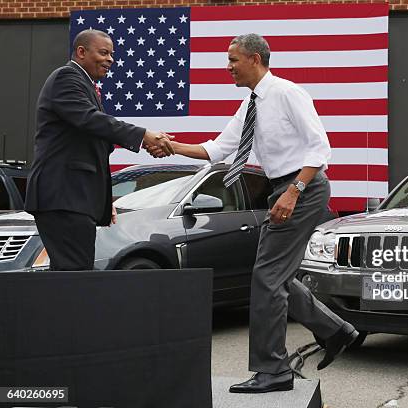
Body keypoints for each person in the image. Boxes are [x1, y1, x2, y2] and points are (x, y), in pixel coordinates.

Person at [147, 33, 359, 393]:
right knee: (273, 277)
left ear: (255, 59)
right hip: (284, 188)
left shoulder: (289, 93)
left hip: (302, 188)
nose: (228, 67)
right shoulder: (250, 104)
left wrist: (294, 191)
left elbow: (320, 149)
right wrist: (170, 145)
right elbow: (217, 150)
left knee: (266, 279)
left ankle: (273, 370)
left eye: (233, 60)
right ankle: (334, 330)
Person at [25, 29, 174, 271]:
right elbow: (90, 119)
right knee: (75, 274)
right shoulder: (66, 78)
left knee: (74, 272)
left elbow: (95, 141)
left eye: (112, 54)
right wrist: (143, 135)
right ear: (81, 52)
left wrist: (103, 199)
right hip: (62, 197)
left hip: (75, 199)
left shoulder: (86, 85)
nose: (110, 60)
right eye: (104, 52)